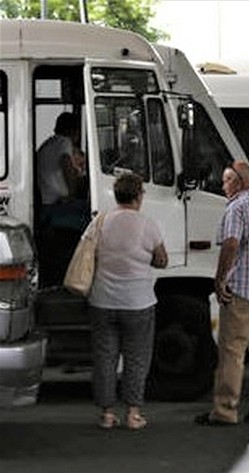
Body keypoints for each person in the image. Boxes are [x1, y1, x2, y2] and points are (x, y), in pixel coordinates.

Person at [195, 160, 249, 427]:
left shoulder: (237, 208)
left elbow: (231, 243)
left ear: (239, 183)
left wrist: (220, 278)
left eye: (226, 180)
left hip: (243, 289)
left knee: (232, 350)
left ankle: (225, 410)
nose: (223, 186)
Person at [88, 173, 168, 430]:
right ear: (138, 195)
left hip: (102, 301)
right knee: (136, 358)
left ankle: (107, 415)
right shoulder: (147, 224)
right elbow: (162, 260)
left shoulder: (100, 221)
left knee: (105, 358)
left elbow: (87, 252)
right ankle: (133, 414)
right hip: (138, 303)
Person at [37, 112, 90, 286]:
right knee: (92, 219)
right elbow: (67, 165)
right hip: (55, 206)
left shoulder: (47, 144)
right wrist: (72, 194)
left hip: (45, 203)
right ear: (74, 131)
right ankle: (81, 271)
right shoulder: (63, 143)